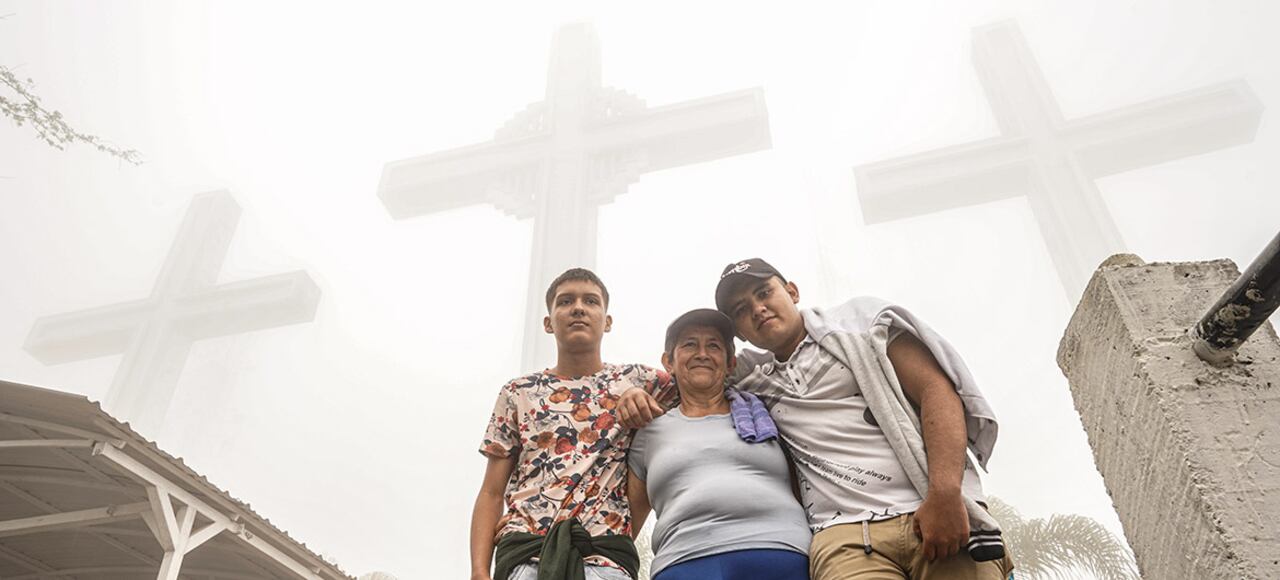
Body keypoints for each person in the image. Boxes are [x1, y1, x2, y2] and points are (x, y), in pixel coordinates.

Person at [617, 259, 1013, 580]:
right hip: (842, 538)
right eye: (741, 310)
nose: (757, 308)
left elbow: (935, 390)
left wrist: (944, 494)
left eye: (764, 292)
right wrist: (638, 392)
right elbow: (696, 379)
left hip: (927, 509)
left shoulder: (860, 328)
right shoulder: (753, 381)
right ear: (739, 331)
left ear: (791, 291)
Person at [470, 268, 674, 580]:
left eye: (590, 301)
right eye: (565, 301)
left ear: (607, 321)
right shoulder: (518, 392)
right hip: (526, 555)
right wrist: (479, 571)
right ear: (548, 323)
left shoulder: (640, 381)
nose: (578, 307)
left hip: (604, 560)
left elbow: (711, 386)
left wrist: (637, 395)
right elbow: (491, 492)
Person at [627, 309, 811, 580]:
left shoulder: (769, 415)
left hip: (781, 553)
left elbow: (804, 489)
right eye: (690, 344)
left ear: (730, 363)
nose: (702, 353)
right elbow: (626, 523)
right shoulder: (648, 433)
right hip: (683, 562)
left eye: (713, 346)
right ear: (669, 361)